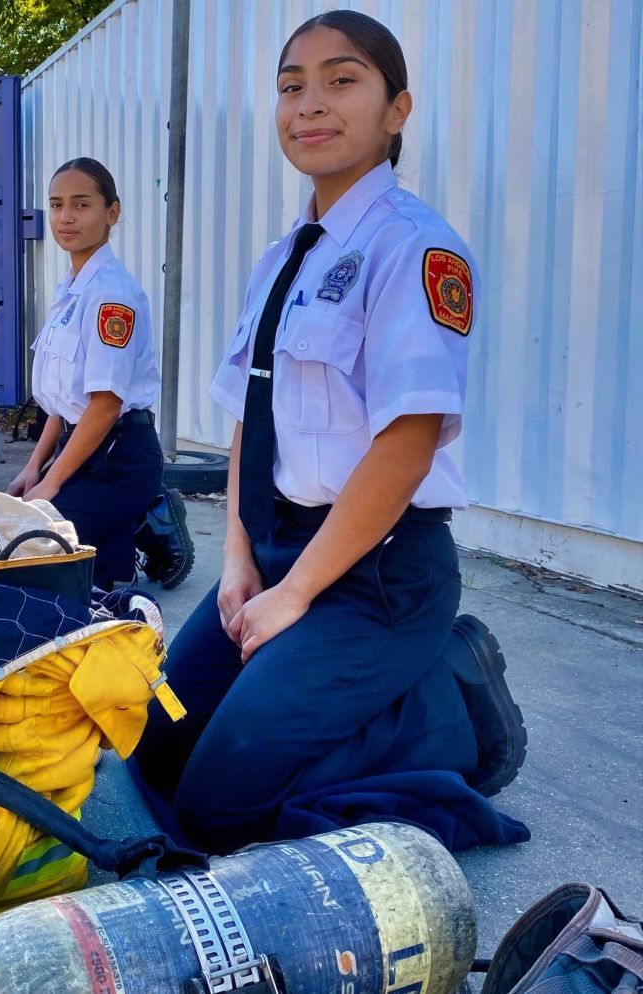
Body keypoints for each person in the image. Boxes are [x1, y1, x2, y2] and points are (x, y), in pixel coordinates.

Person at [130, 11, 530, 854]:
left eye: (342, 80)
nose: (310, 104)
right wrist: (239, 560)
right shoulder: (283, 256)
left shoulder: (417, 249)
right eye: (290, 86)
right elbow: (252, 416)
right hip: (276, 550)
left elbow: (407, 444)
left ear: (397, 111)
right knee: (154, 743)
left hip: (379, 578)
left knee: (217, 809)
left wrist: (300, 593)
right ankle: (319, 699)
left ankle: (448, 709)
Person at [8, 158, 168, 589]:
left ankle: (155, 518)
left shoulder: (111, 295)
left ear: (111, 213)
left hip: (119, 459)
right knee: (99, 585)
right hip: (79, 450)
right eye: (57, 204)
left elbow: (104, 406)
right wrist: (35, 467)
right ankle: (128, 541)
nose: (65, 217)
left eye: (81, 204)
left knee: (32, 547)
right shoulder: (70, 291)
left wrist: (51, 486)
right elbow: (65, 401)